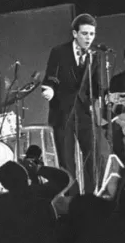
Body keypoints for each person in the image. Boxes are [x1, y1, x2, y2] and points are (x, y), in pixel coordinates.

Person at [41, 13, 101, 195]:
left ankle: (93, 196)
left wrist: (101, 98)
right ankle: (71, 199)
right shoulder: (59, 51)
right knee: (66, 160)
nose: (88, 38)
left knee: (92, 155)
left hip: (84, 112)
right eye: (84, 34)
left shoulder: (95, 56)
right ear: (75, 34)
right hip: (62, 111)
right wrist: (49, 89)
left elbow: (96, 86)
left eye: (91, 34)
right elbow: (50, 77)